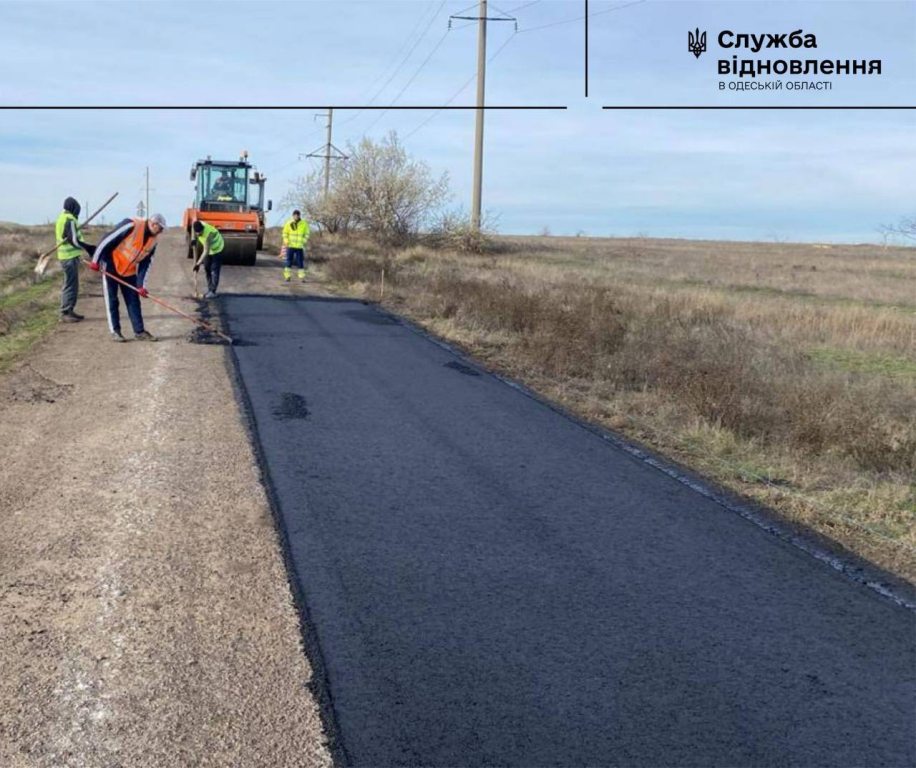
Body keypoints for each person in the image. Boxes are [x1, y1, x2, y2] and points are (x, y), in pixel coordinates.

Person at [88, 213, 166, 342]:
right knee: (112, 300)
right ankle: (115, 331)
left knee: (133, 301)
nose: (161, 231)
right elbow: (107, 239)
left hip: (128, 271)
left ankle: (139, 331)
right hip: (111, 264)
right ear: (153, 224)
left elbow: (145, 264)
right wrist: (96, 260)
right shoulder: (131, 225)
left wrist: (141, 285)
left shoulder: (153, 242)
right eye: (160, 228)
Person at [55, 197, 95, 322]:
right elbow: (73, 240)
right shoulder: (69, 219)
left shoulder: (62, 217)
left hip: (66, 257)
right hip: (68, 258)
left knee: (72, 284)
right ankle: (66, 312)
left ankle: (69, 310)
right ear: (74, 208)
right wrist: (89, 248)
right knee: (70, 285)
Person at [192, 220, 225, 298]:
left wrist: (198, 264)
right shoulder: (198, 224)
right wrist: (193, 239)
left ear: (202, 229)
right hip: (209, 250)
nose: (198, 234)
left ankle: (213, 291)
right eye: (196, 232)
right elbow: (193, 228)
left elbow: (205, 251)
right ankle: (209, 288)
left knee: (214, 270)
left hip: (217, 249)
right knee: (207, 268)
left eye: (199, 232)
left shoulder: (208, 235)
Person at [281, 209, 310, 283]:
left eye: (297, 215)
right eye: (295, 215)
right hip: (290, 246)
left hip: (299, 246)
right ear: (293, 216)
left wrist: (304, 241)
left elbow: (307, 233)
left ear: (299, 216)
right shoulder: (288, 223)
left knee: (300, 262)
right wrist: (286, 241)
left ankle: (302, 277)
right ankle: (287, 277)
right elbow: (284, 233)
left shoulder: (304, 224)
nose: (296, 217)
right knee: (288, 262)